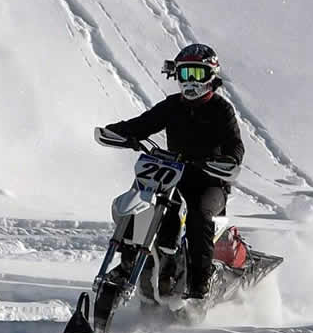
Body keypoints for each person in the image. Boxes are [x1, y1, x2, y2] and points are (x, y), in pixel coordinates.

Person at [105, 43, 245, 298]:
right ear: (176, 75)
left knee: (197, 216)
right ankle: (127, 264)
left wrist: (229, 160)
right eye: (184, 74)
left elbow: (235, 145)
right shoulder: (172, 106)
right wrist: (118, 131)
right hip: (173, 179)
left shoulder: (221, 109)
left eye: (197, 74)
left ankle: (200, 282)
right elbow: (142, 124)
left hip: (210, 182)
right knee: (142, 203)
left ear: (211, 75)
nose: (190, 82)